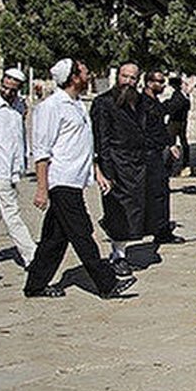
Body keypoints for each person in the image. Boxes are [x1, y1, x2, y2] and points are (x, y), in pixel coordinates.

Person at [24, 58, 135, 299]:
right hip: (61, 181)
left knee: (54, 238)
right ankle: (107, 284)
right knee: (82, 233)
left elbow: (83, 145)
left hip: (75, 179)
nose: (88, 76)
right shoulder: (51, 107)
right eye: (84, 72)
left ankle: (35, 285)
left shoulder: (77, 105)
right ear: (73, 78)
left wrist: (97, 172)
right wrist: (42, 188)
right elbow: (41, 152)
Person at [91, 62, 150, 277]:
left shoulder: (140, 101)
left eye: (133, 78)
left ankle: (122, 249)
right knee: (117, 210)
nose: (128, 81)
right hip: (115, 163)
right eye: (125, 76)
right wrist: (104, 170)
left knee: (134, 210)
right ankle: (118, 255)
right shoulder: (104, 102)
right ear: (118, 77)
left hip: (137, 164)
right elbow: (101, 138)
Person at [0, 68, 38, 267]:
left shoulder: (19, 106)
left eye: (12, 89)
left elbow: (19, 136)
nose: (7, 91)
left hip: (12, 168)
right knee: (11, 213)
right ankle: (31, 256)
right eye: (5, 86)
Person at [142, 69, 184, 245]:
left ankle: (160, 228)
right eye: (159, 81)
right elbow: (156, 122)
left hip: (156, 153)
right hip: (149, 154)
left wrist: (170, 144)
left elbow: (161, 124)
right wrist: (182, 93)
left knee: (160, 193)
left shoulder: (152, 101)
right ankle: (159, 230)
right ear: (149, 83)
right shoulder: (144, 102)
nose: (162, 85)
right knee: (157, 193)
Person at [162, 76, 191, 175]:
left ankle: (170, 165)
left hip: (175, 122)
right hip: (180, 121)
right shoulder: (181, 95)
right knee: (179, 143)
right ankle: (175, 164)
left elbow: (174, 107)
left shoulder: (178, 95)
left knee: (172, 143)